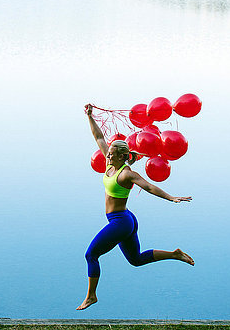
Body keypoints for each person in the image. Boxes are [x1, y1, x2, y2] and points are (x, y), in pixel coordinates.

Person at [77, 104, 195, 311]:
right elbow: (99, 138)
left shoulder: (126, 174)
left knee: (91, 255)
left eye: (112, 154)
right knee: (136, 260)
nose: (108, 155)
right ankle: (175, 254)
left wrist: (171, 198)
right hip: (125, 219)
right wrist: (89, 116)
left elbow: (149, 186)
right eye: (109, 153)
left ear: (122, 156)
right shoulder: (110, 164)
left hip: (121, 222)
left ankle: (91, 296)